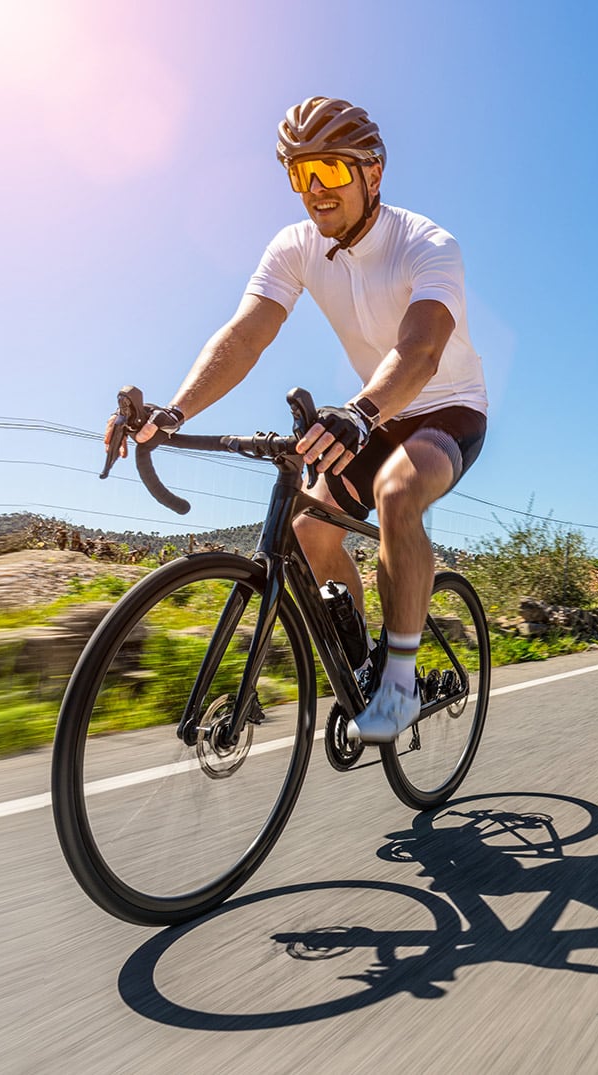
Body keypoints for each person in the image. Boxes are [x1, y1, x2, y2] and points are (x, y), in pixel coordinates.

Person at [108, 96, 488, 743]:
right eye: (300, 174)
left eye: (332, 172)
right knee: (310, 529)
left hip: (445, 406)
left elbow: (420, 350)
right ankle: (363, 666)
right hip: (371, 412)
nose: (315, 191)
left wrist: (362, 411)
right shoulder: (298, 246)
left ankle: (397, 683)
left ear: (373, 173)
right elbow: (245, 336)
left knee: (397, 492)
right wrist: (173, 411)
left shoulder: (427, 243)